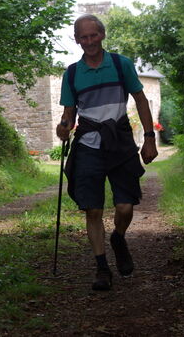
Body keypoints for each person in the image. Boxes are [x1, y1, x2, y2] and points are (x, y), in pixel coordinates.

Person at [55, 14, 158, 291]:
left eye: (93, 35)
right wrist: (63, 127)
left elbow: (140, 99)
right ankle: (102, 268)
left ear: (102, 35)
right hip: (88, 144)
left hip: (120, 140)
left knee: (125, 206)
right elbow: (68, 113)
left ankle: (119, 236)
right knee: (93, 209)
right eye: (83, 37)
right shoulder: (73, 73)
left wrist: (149, 138)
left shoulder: (120, 64)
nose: (88, 41)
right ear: (77, 40)